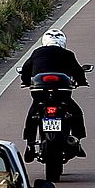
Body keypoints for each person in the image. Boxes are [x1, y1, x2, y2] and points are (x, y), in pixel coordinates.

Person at [20, 29, 89, 160]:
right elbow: (78, 71)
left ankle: (29, 144)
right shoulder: (68, 54)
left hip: (40, 93)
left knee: (33, 114)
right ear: (63, 42)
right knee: (76, 112)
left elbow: (25, 69)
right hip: (62, 94)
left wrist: (25, 81)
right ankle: (77, 140)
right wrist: (82, 81)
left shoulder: (37, 52)